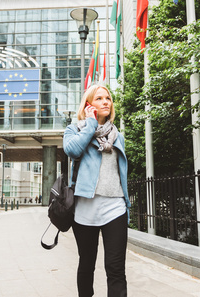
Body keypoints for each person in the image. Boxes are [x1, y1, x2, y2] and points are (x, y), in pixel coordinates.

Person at [63, 84, 131, 297]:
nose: (105, 102)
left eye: (108, 98)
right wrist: (91, 124)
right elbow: (72, 150)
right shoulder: (74, 130)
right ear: (89, 104)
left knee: (116, 268)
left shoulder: (116, 135)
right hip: (85, 211)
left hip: (114, 208)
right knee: (86, 266)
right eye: (99, 98)